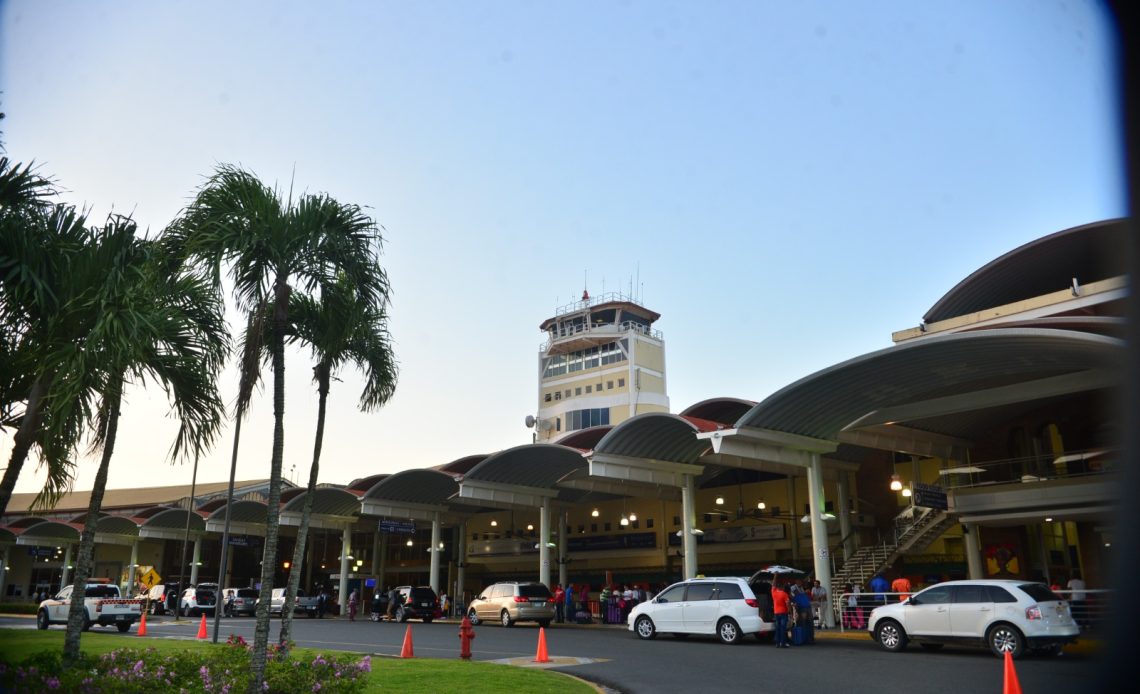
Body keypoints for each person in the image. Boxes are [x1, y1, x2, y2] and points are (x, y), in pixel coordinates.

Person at [771, 582, 790, 648]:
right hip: (783, 612)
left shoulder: (773, 592)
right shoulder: (784, 594)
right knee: (783, 628)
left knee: (777, 628)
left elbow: (773, 584)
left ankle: (777, 643)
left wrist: (775, 575)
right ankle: (783, 643)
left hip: (776, 612)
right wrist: (789, 610)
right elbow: (787, 603)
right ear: (782, 588)